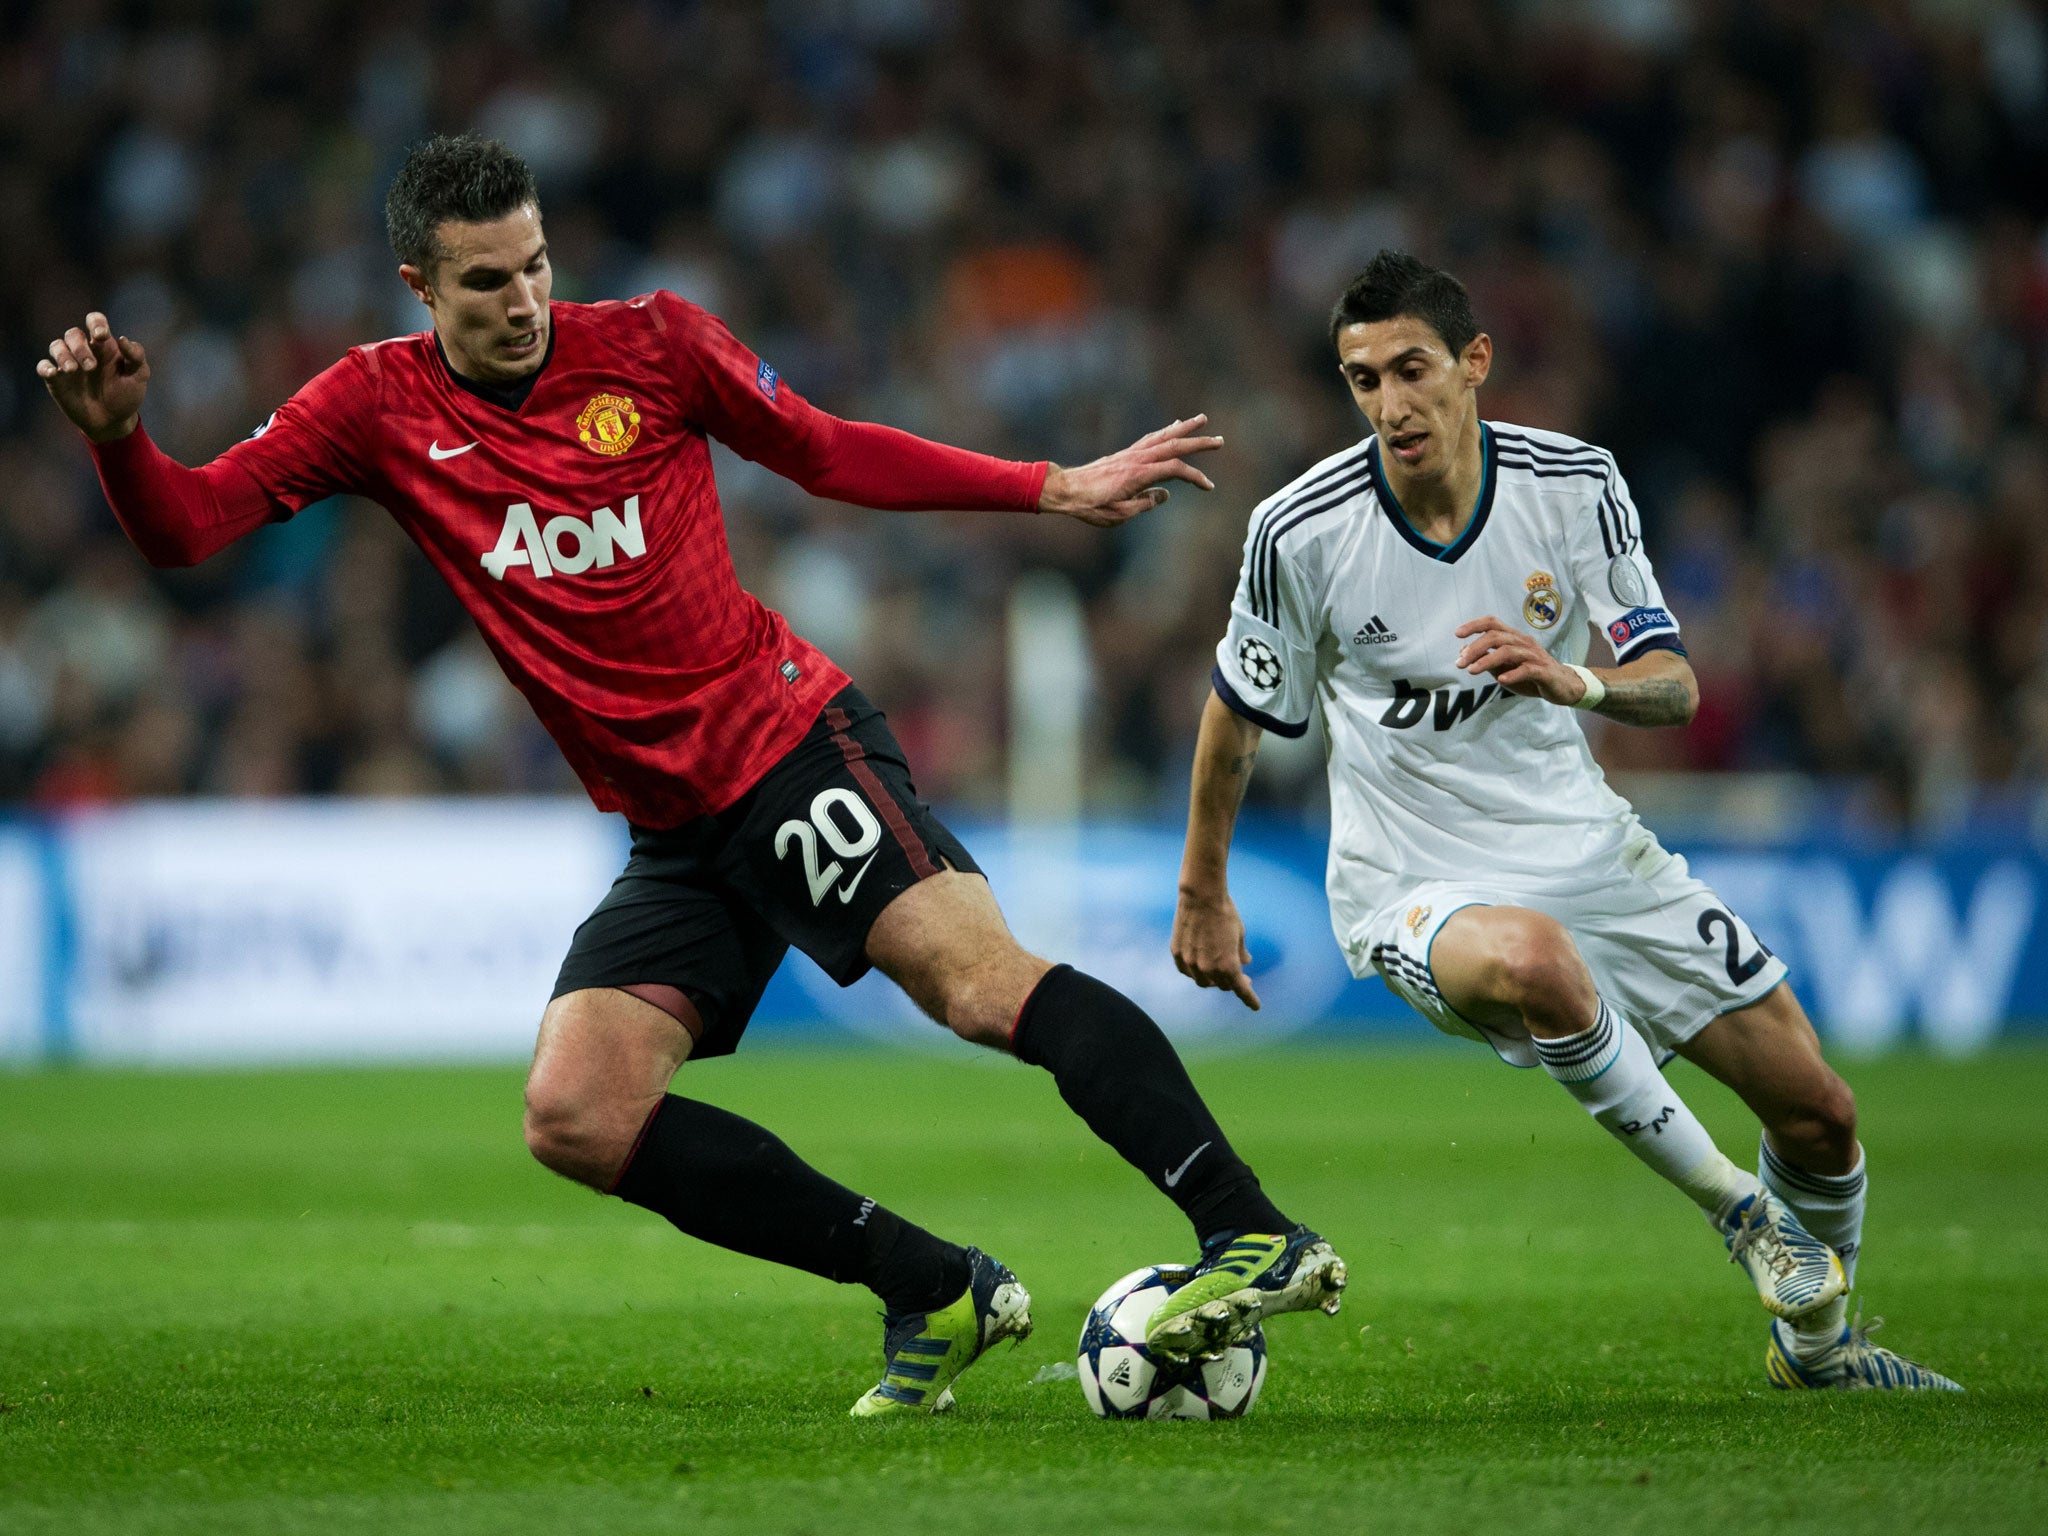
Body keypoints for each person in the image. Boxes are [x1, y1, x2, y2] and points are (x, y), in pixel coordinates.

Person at [38, 133, 1344, 1416]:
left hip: (787, 749)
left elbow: (827, 451)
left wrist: (1047, 485)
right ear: (419, 292)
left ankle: (1248, 1226)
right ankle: (932, 1284)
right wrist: (119, 441)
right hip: (674, 830)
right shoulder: (374, 406)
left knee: (977, 985)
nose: (523, 300)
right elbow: (188, 525)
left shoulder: (654, 344)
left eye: (536, 264)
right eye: (485, 282)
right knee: (578, 1112)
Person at [1170, 249, 1958, 1393]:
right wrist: (1201, 893)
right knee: (1534, 963)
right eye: (1360, 380)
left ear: (1473, 363)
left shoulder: (1570, 483)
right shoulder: (1301, 532)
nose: (1389, 406)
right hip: (1408, 878)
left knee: (1820, 1113)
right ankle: (1740, 1219)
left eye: (1410, 370)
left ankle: (1819, 1356)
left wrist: (1576, 682)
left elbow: (1672, 682)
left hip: (1585, 846)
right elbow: (1234, 720)